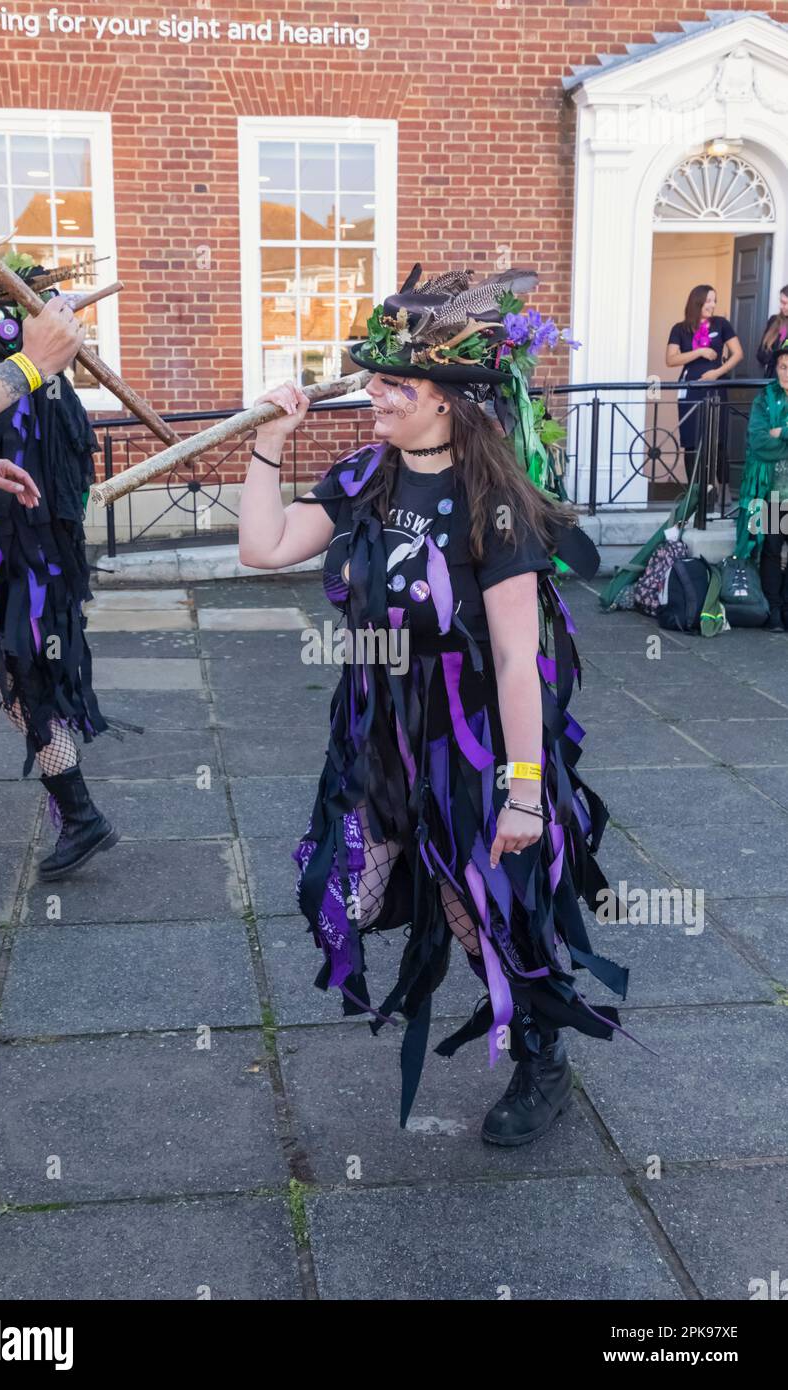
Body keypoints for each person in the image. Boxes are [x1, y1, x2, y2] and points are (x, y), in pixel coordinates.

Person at [239, 263, 629, 1141]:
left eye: (393, 385)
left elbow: (517, 659)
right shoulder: (366, 475)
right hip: (381, 730)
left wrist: (525, 791)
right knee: (355, 896)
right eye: (374, 380)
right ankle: (516, 1002)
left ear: (446, 399)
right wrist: (267, 440)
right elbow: (263, 548)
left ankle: (542, 1056)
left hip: (472, 740)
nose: (373, 396)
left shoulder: (492, 509)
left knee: (477, 902)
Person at [0, 252, 118, 877]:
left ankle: (81, 815)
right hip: (3, 577)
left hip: (10, 580)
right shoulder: (29, 394)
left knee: (23, 691)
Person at [666, 285, 743, 501]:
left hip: (715, 389)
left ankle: (722, 492)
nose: (712, 305)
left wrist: (717, 373)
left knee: (717, 440)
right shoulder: (679, 329)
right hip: (690, 391)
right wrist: (698, 352)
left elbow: (738, 354)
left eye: (714, 300)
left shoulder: (721, 324)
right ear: (697, 301)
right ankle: (695, 492)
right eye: (709, 300)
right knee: (691, 442)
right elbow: (671, 359)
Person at [734, 341, 788, 630]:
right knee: (772, 548)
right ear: (776, 367)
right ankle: (775, 612)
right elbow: (759, 443)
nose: (787, 373)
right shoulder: (765, 399)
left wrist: (783, 431)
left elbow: (773, 440)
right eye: (783, 366)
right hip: (776, 490)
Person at [756, 285, 788, 379]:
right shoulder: (774, 321)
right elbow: (761, 355)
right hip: (772, 381)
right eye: (781, 302)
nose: (781, 306)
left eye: (784, 303)